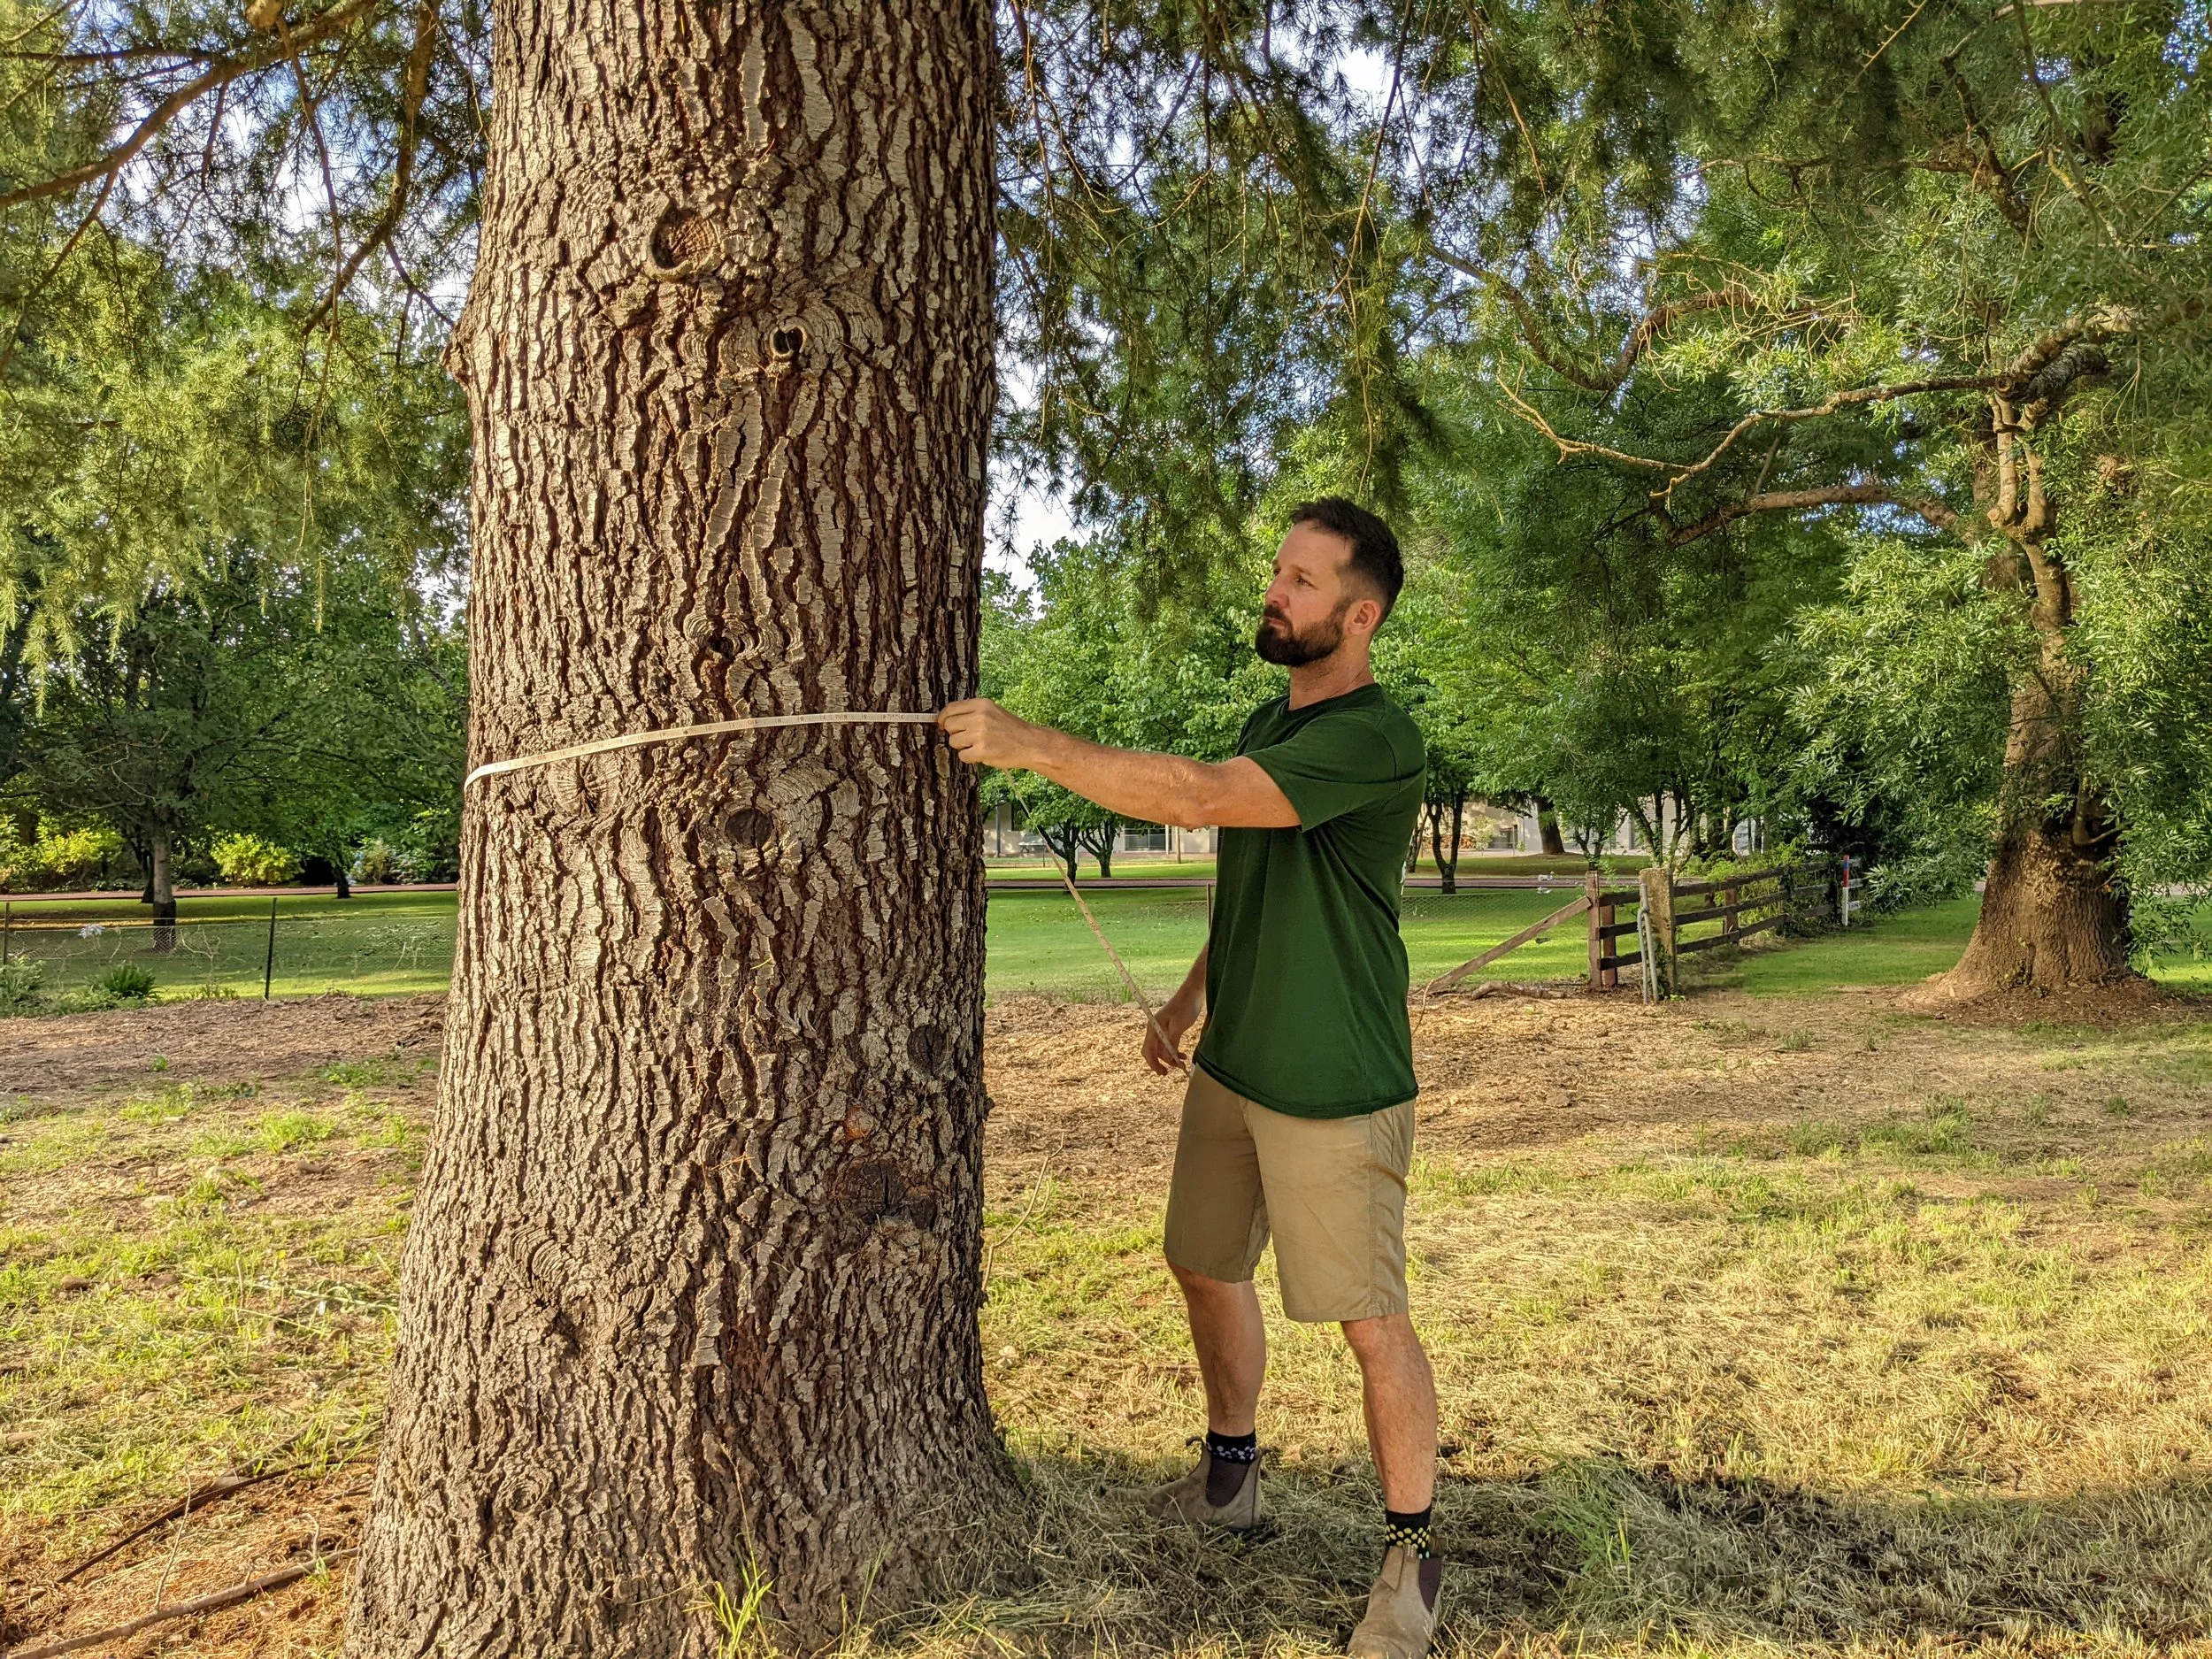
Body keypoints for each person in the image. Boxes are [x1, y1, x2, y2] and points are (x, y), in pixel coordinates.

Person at [937, 497, 1441, 1659]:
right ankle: (1232, 1478)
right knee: (1203, 1263)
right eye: (1280, 568)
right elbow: (1260, 876)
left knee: (1369, 1323)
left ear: (1361, 616)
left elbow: (1204, 799)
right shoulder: (1279, 717)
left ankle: (1412, 1554)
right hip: (1236, 1060)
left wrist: (1038, 746)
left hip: (1335, 1079)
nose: (1279, 589)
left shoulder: (1374, 737)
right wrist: (1189, 998)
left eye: (1305, 580)